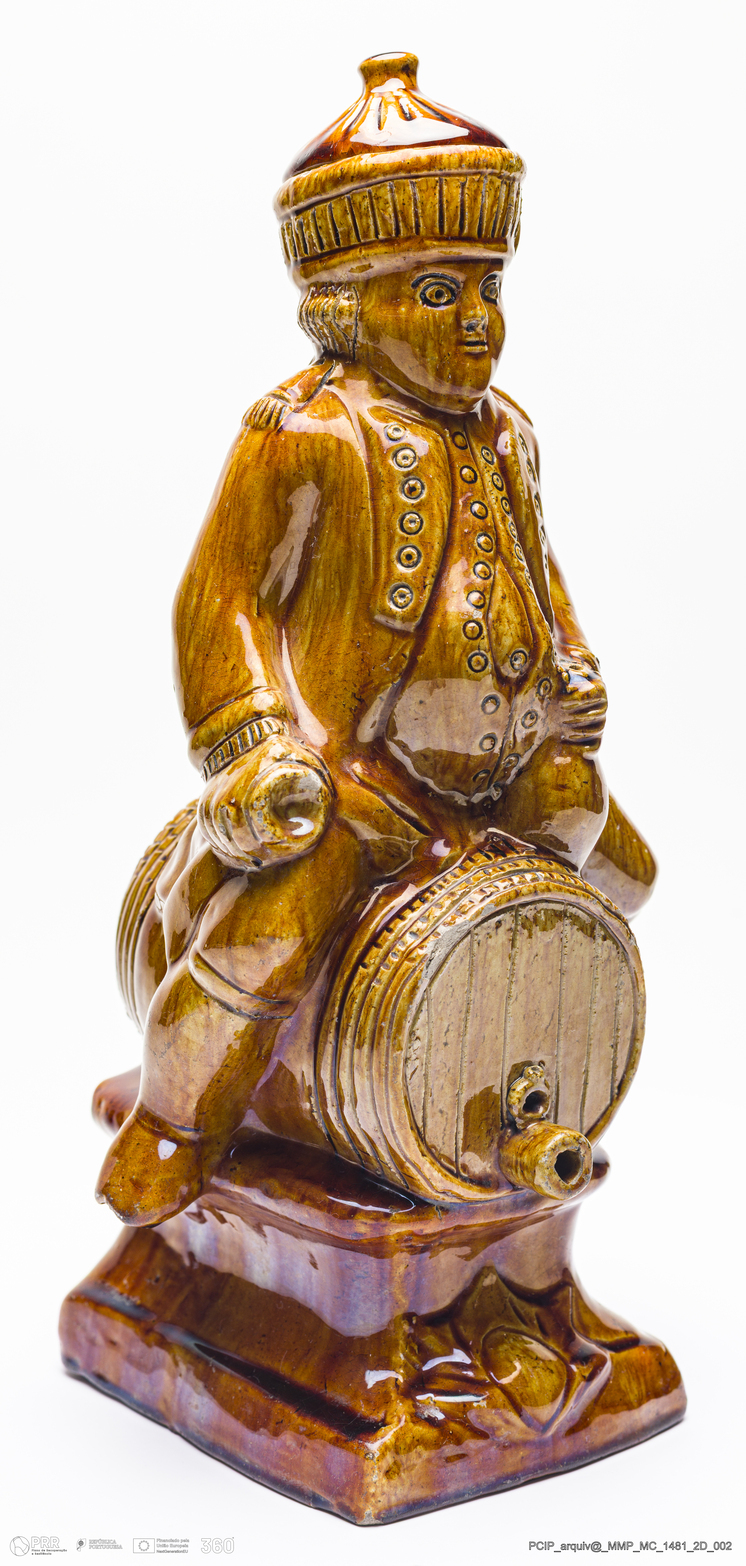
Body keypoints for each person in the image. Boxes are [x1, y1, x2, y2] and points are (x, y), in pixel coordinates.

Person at [97, 52, 655, 1227]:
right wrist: (254, 747)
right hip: (352, 783)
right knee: (273, 934)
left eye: (487, 288)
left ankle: (492, 1057)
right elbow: (222, 601)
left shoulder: (506, 435)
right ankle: (176, 1120)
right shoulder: (302, 430)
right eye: (437, 293)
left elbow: (536, 575)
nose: (478, 323)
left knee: (617, 870)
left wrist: (570, 668)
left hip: (506, 770)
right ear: (345, 305)